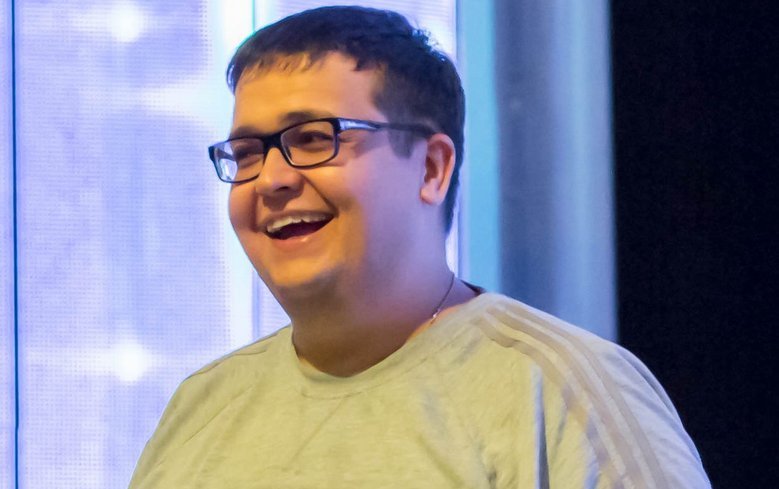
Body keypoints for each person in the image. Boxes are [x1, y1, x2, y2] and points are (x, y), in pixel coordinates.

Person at [129, 6, 710, 488]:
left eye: (313, 139)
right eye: (247, 154)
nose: (272, 180)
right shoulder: (201, 407)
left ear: (431, 168)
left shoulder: (563, 390)